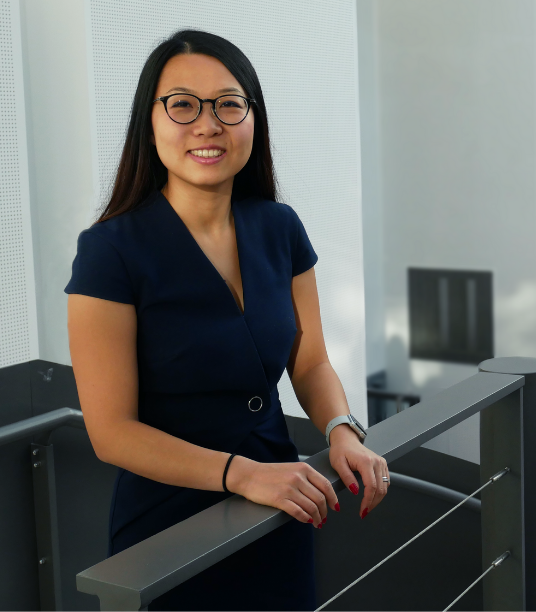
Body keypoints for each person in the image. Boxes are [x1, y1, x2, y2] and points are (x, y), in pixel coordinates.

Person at [64, 28, 390, 611]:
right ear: (150, 122)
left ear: (252, 119)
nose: (208, 124)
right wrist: (244, 474)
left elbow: (310, 361)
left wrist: (342, 429)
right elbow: (111, 432)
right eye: (183, 105)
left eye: (228, 104)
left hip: (281, 508)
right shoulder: (109, 251)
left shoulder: (280, 226)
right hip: (169, 528)